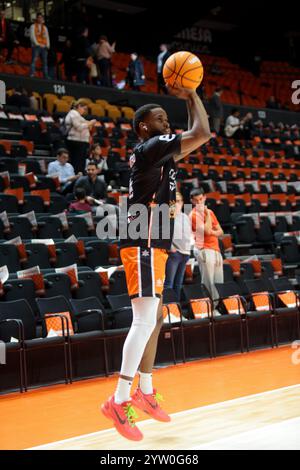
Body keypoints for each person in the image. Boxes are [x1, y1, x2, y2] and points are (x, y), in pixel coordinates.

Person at [101, 83, 211, 441]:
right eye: (160, 119)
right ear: (144, 128)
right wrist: (191, 93)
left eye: (167, 118)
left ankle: (145, 390)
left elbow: (200, 135)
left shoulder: (161, 156)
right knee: (144, 318)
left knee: (156, 317)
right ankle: (118, 401)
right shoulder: (151, 148)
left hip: (156, 242)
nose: (166, 122)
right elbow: (204, 132)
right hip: (143, 240)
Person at [189, 188, 224, 313]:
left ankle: (217, 307)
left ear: (204, 197)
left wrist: (212, 232)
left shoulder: (210, 212)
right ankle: (212, 309)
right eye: (196, 200)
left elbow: (221, 232)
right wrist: (208, 214)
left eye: (201, 199)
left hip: (215, 249)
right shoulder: (193, 214)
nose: (199, 202)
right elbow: (208, 230)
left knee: (219, 283)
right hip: (204, 249)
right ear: (192, 201)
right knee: (208, 282)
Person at [164, 191, 192, 300]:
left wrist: (189, 249)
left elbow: (188, 234)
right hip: (174, 254)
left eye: (179, 201)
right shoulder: (168, 215)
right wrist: (171, 247)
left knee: (178, 284)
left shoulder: (185, 216)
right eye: (175, 201)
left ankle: (176, 310)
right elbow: (163, 233)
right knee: (169, 284)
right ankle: (168, 309)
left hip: (185, 254)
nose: (177, 204)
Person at [65, 99, 97, 173]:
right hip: (76, 142)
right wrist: (90, 123)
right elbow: (79, 127)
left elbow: (86, 125)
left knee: (80, 164)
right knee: (77, 164)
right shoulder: (73, 113)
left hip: (80, 142)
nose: (84, 111)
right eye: (84, 109)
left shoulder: (78, 115)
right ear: (79, 106)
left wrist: (89, 124)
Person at [29, 12, 50, 79]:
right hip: (36, 46)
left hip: (44, 47)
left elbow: (47, 37)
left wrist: (48, 45)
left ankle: (45, 75)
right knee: (34, 60)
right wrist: (37, 44)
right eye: (39, 17)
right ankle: (32, 73)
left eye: (41, 17)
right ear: (37, 18)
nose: (40, 19)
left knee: (45, 62)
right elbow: (32, 36)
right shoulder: (33, 26)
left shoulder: (45, 27)